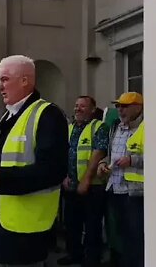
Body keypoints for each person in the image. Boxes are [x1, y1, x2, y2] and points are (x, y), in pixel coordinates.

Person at [0, 55, 68, 266]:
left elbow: (53, 170)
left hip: (24, 228)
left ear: (25, 80)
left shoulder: (48, 114)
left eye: (5, 79)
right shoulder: (9, 115)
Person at [58, 96, 108, 266]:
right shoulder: (70, 128)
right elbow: (64, 153)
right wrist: (64, 176)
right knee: (71, 224)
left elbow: (98, 153)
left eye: (82, 106)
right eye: (76, 105)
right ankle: (74, 254)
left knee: (92, 226)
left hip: (92, 187)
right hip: (70, 185)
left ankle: (92, 259)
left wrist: (86, 180)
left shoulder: (99, 127)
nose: (77, 109)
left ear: (93, 109)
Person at [97, 92, 144, 267]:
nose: (120, 110)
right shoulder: (115, 126)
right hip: (114, 188)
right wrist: (103, 164)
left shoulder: (146, 128)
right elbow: (110, 155)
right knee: (120, 234)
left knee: (136, 236)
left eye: (125, 106)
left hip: (134, 192)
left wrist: (132, 160)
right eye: (118, 106)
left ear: (138, 107)